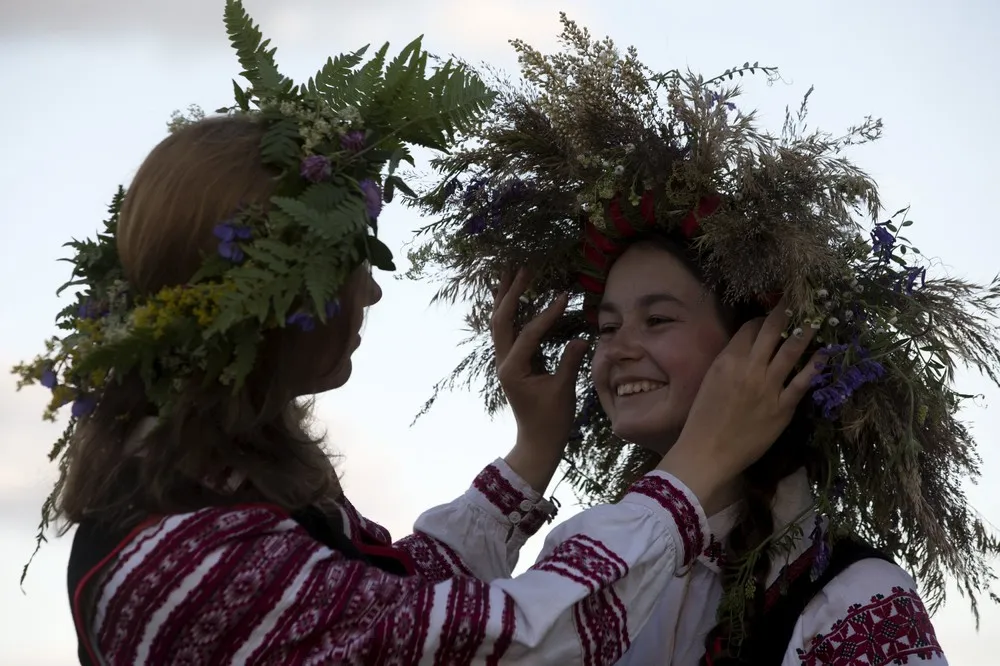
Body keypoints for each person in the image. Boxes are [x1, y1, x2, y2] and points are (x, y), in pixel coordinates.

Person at [13, 3, 823, 665]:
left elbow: (396, 600)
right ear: (265, 301)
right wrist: (700, 463)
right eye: (348, 261)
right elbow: (498, 642)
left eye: (657, 319)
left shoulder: (213, 493)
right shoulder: (187, 564)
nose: (369, 288)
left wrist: (531, 453)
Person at [408, 15, 1000, 665]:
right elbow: (412, 637)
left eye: (657, 320)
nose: (618, 348)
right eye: (606, 327)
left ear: (758, 350)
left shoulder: (849, 596)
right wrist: (532, 450)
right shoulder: (576, 553)